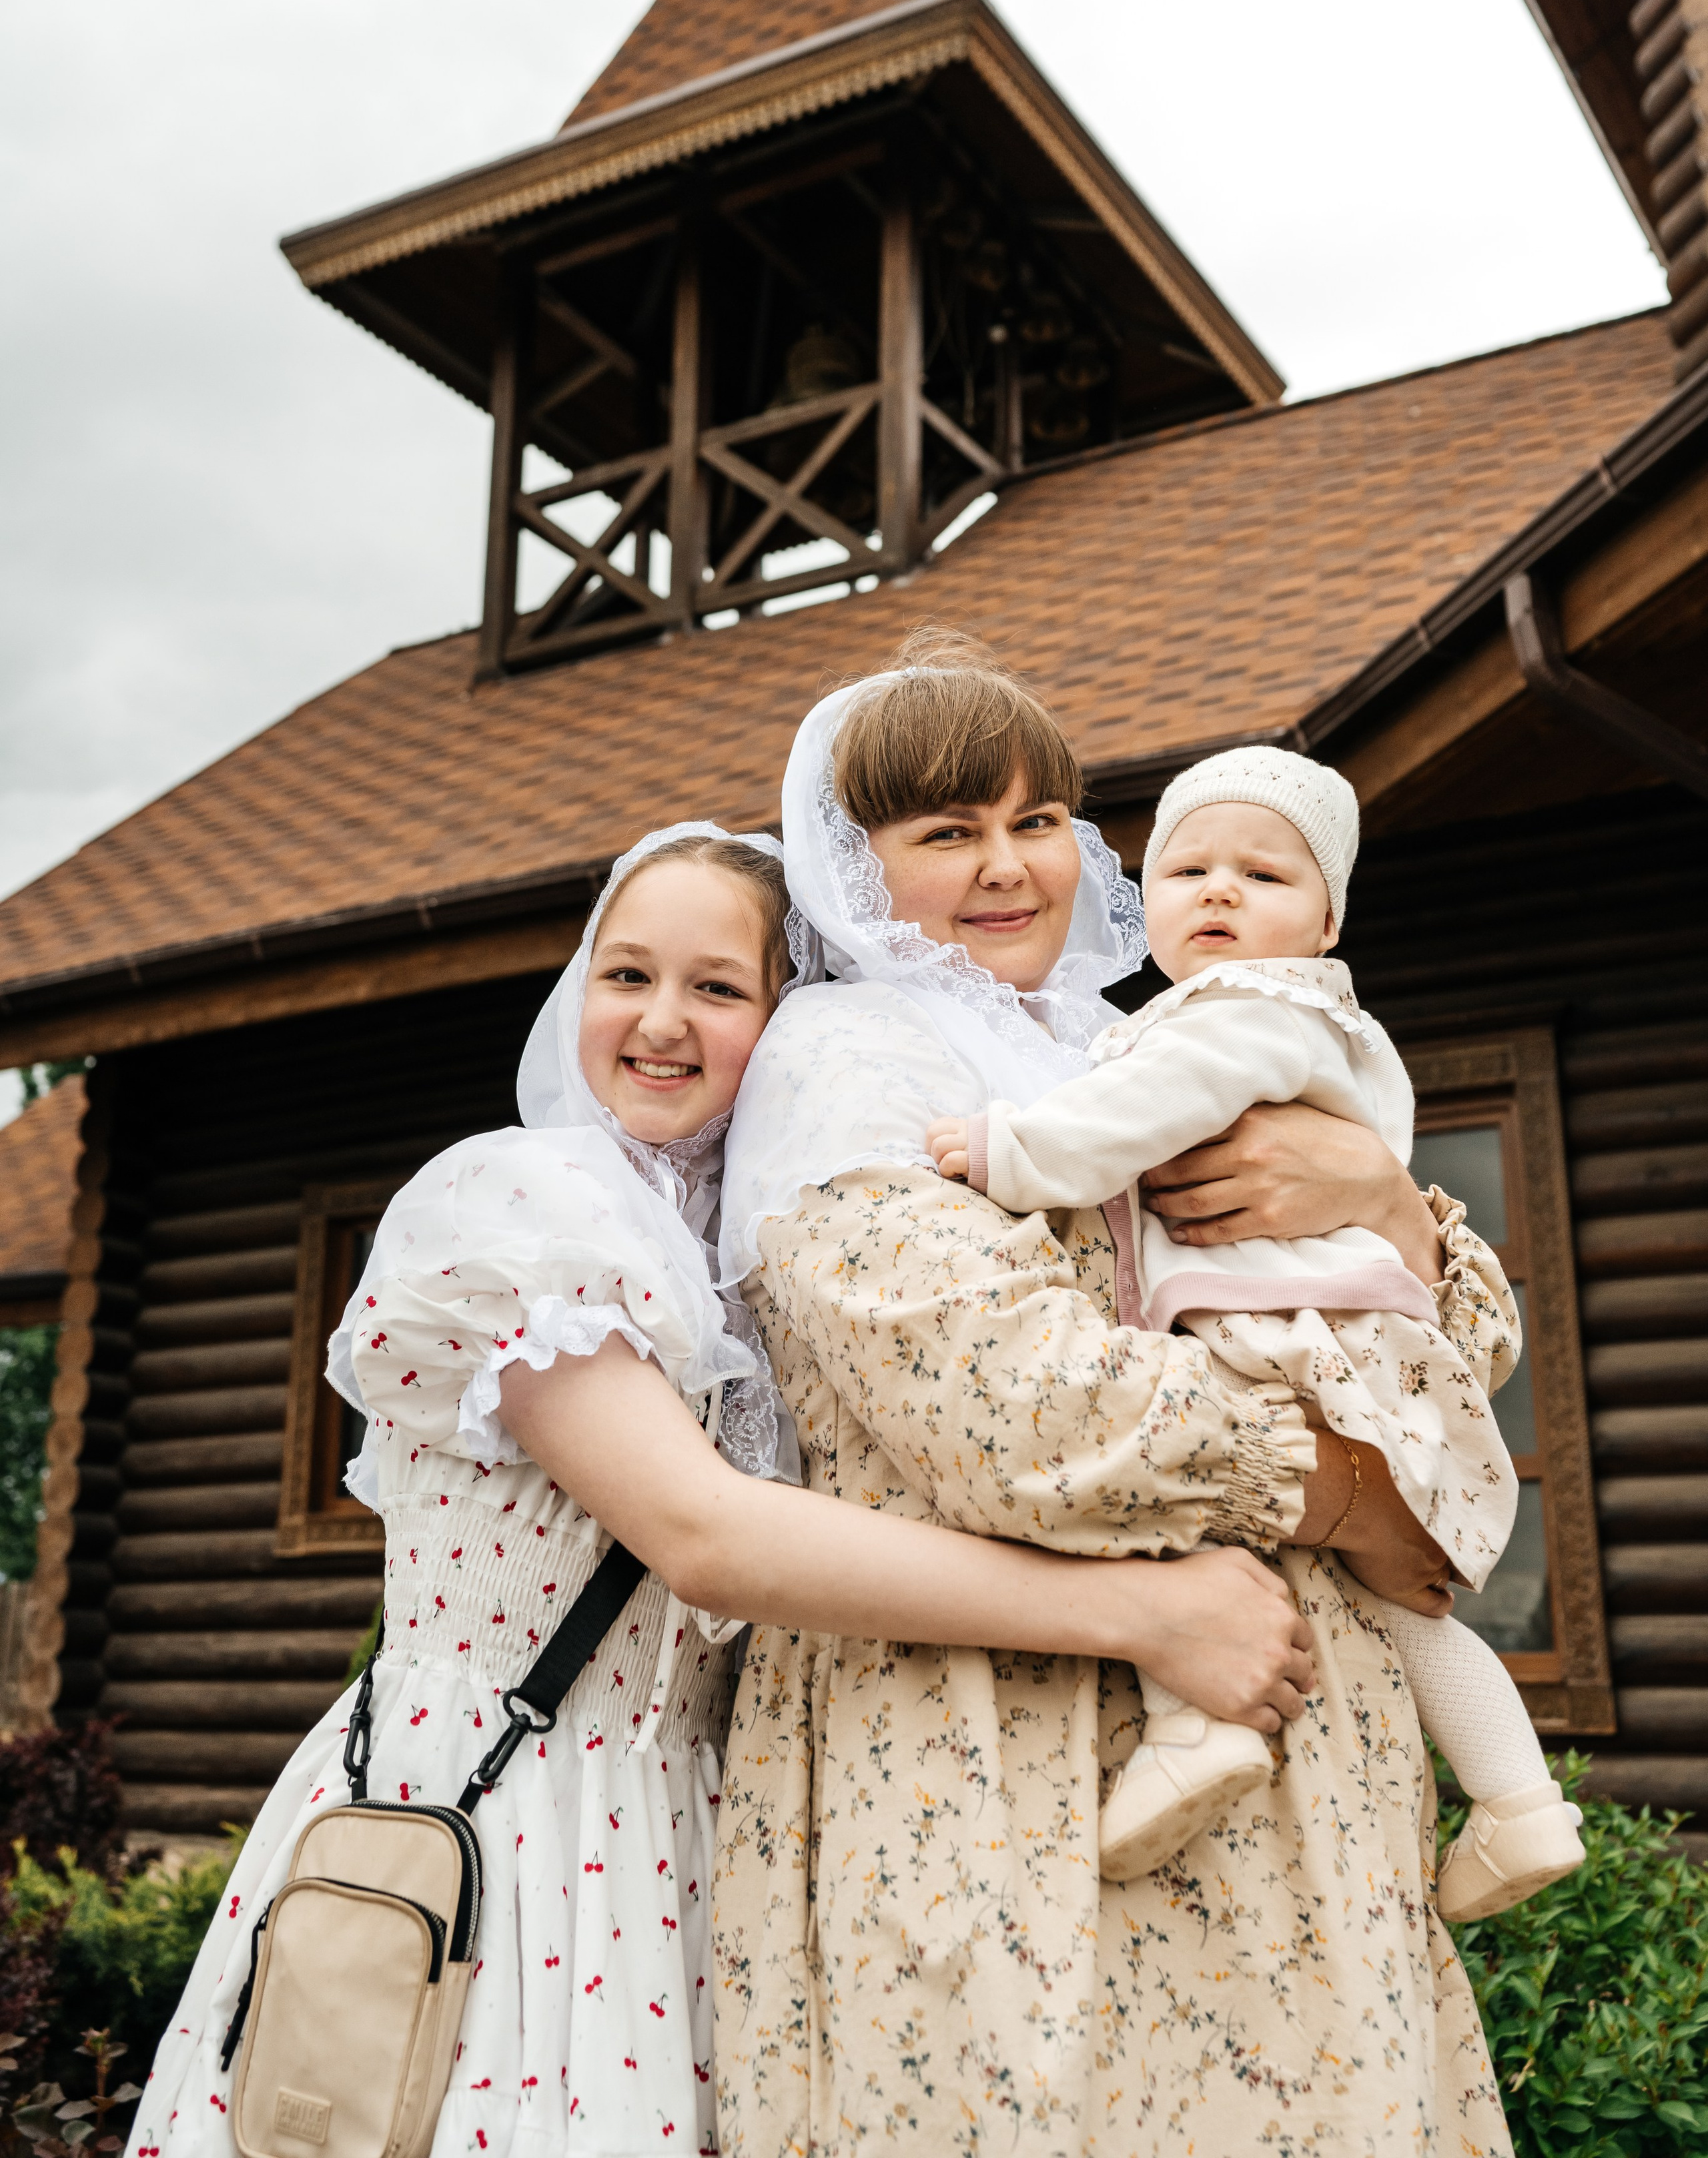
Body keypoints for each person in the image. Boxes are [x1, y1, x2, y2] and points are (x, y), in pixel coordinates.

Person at [130, 823, 1311, 2158]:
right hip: (496, 1814)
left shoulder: (742, 1270)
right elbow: (705, 1538)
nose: (660, 1021)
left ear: (784, 1023)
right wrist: (1145, 1615)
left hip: (691, 1829)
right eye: (626, 975)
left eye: (716, 988)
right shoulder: (525, 1206)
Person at [713, 635, 1522, 2158]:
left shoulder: (1142, 1039)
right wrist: (1358, 1494)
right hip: (1008, 1746)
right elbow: (1012, 1407)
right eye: (945, 832)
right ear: (853, 865)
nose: (1006, 866)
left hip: (1295, 1749)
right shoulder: (848, 1058)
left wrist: (1385, 1203)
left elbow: (1448, 1356)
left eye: (1034, 821)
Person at [927, 741, 1585, 1916]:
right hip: (1347, 1330)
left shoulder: (1245, 1011)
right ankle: (1521, 1799)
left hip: (1280, 1330)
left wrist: (1005, 1153)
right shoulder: (1290, 1021)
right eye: (1188, 872)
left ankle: (1199, 1728)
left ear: (1326, 924)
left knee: (1174, 1478)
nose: (1220, 892)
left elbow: (1140, 1115)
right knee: (1398, 1600)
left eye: (1264, 875)